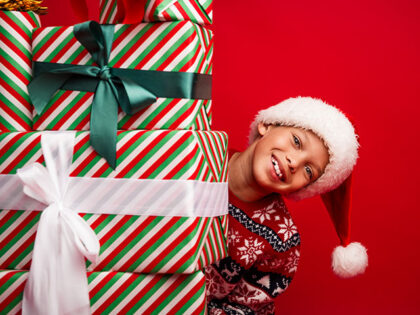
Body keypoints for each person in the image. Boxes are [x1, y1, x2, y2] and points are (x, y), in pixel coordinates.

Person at [205, 97, 368, 315]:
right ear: (267, 125)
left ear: (302, 188)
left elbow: (245, 310)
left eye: (309, 171)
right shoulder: (200, 158)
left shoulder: (282, 242)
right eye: (297, 142)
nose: (294, 162)